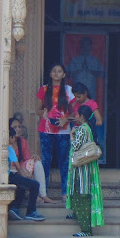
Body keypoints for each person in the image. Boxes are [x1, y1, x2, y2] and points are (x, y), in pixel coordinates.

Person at [36, 63, 75, 201]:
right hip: (46, 129)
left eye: (59, 71)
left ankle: (65, 192)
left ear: (64, 74)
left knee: (64, 162)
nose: (56, 73)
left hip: (63, 131)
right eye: (54, 71)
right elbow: (38, 110)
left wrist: (65, 119)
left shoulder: (68, 90)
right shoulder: (44, 89)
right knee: (46, 161)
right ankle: (43, 192)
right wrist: (43, 113)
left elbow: (73, 111)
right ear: (50, 74)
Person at [66, 105, 105, 237]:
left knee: (81, 198)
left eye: (77, 114)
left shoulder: (82, 129)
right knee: (83, 197)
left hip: (81, 171)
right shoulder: (89, 128)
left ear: (82, 116)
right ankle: (81, 221)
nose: (76, 117)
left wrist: (71, 136)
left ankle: (86, 231)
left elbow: (76, 146)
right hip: (87, 170)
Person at [9, 116, 58, 204]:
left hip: (20, 168)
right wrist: (21, 169)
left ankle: (43, 195)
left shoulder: (22, 142)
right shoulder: (6, 143)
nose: (18, 129)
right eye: (15, 127)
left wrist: (33, 158)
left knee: (37, 162)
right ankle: (32, 195)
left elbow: (27, 160)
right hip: (11, 170)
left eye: (19, 127)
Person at [7, 127, 46, 222]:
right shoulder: (9, 148)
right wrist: (25, 174)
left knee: (22, 186)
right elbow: (17, 166)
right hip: (10, 176)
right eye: (13, 138)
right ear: (10, 138)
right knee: (34, 184)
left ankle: (14, 209)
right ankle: (31, 212)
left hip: (6, 177)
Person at [66, 37, 104, 101]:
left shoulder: (95, 60)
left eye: (87, 45)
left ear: (91, 47)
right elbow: (67, 74)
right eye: (84, 45)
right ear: (81, 46)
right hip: (77, 93)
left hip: (91, 92)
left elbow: (102, 74)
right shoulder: (75, 60)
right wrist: (80, 70)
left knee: (90, 109)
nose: (86, 47)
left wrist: (90, 71)